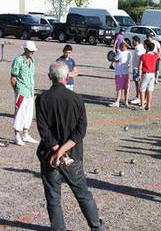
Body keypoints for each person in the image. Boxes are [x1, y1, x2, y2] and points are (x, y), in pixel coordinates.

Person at [35, 62, 104, 230]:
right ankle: (96, 227)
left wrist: (57, 151)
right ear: (66, 77)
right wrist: (63, 151)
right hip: (72, 155)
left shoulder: (42, 99)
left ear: (50, 77)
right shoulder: (77, 99)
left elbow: (43, 130)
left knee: (53, 196)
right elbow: (81, 131)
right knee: (82, 194)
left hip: (50, 156)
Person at [10, 41, 39, 146]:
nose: (32, 53)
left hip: (30, 91)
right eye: (30, 51)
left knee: (29, 113)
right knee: (19, 113)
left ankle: (25, 134)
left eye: (33, 51)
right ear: (25, 50)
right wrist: (17, 90)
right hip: (21, 91)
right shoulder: (18, 60)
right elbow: (13, 78)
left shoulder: (32, 60)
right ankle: (17, 135)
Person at [109, 42, 132, 108]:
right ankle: (126, 102)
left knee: (119, 89)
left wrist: (112, 63)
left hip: (119, 73)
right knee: (126, 89)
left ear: (122, 47)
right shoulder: (129, 53)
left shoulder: (120, 53)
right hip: (126, 73)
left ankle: (117, 102)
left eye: (120, 47)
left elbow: (114, 59)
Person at [138, 40, 159, 111]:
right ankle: (148, 105)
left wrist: (139, 75)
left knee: (141, 89)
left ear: (147, 47)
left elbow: (140, 66)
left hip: (146, 73)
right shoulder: (155, 56)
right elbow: (157, 53)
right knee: (150, 89)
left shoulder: (143, 56)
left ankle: (142, 105)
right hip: (152, 74)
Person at [130, 36, 146, 105]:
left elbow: (141, 59)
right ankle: (137, 96)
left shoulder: (140, 49)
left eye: (133, 41)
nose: (132, 42)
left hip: (138, 68)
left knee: (138, 83)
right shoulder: (138, 48)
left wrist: (140, 69)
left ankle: (139, 98)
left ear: (137, 41)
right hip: (136, 68)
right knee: (137, 83)